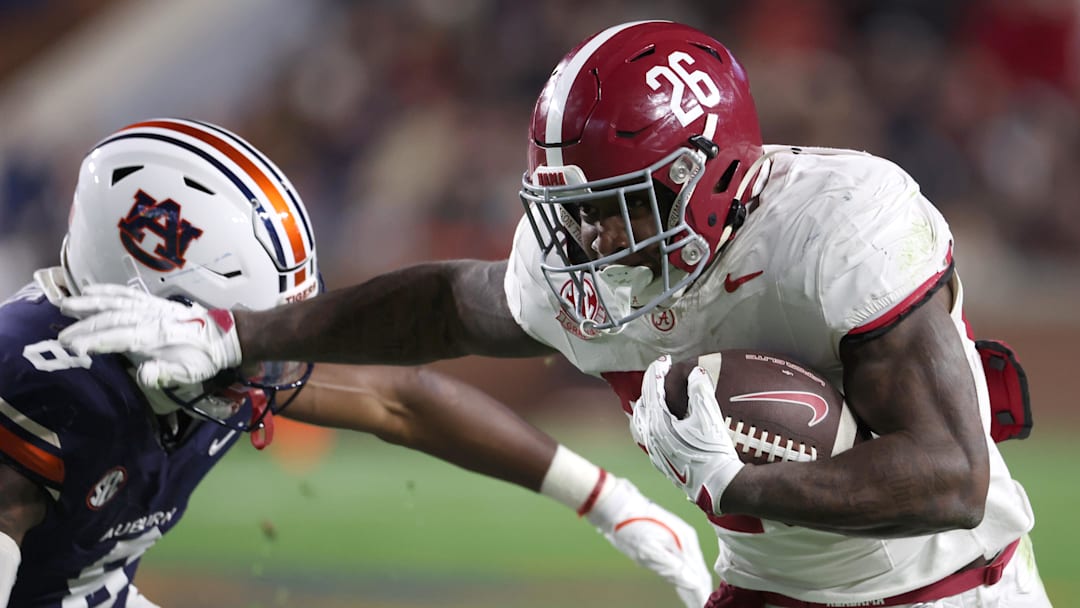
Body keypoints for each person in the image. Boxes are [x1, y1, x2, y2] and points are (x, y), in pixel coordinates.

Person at [57, 21, 1052, 608]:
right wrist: (235, 333)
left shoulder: (841, 226)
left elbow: (951, 477)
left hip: (945, 588)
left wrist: (739, 481)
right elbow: (444, 306)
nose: (587, 240)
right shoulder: (587, 266)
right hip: (771, 583)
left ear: (708, 178)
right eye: (573, 210)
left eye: (616, 205)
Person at [0, 118, 715, 608]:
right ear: (141, 306)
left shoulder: (194, 366)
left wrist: (610, 502)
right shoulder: (37, 397)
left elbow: (399, 401)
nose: (262, 362)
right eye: (228, 329)